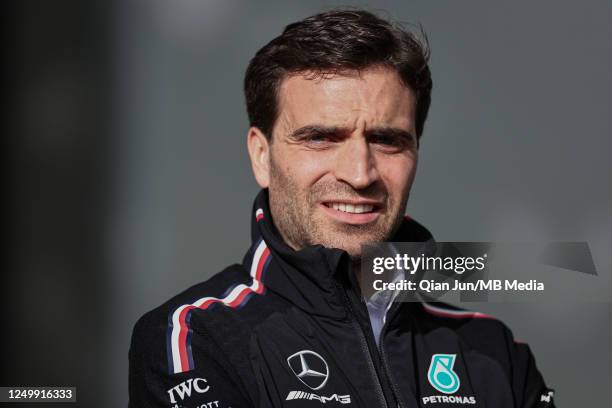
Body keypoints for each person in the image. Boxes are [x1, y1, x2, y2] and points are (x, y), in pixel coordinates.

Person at [129, 9, 554, 408]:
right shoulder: (192, 337)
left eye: (387, 140)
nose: (360, 172)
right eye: (322, 138)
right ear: (262, 156)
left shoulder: (495, 350)